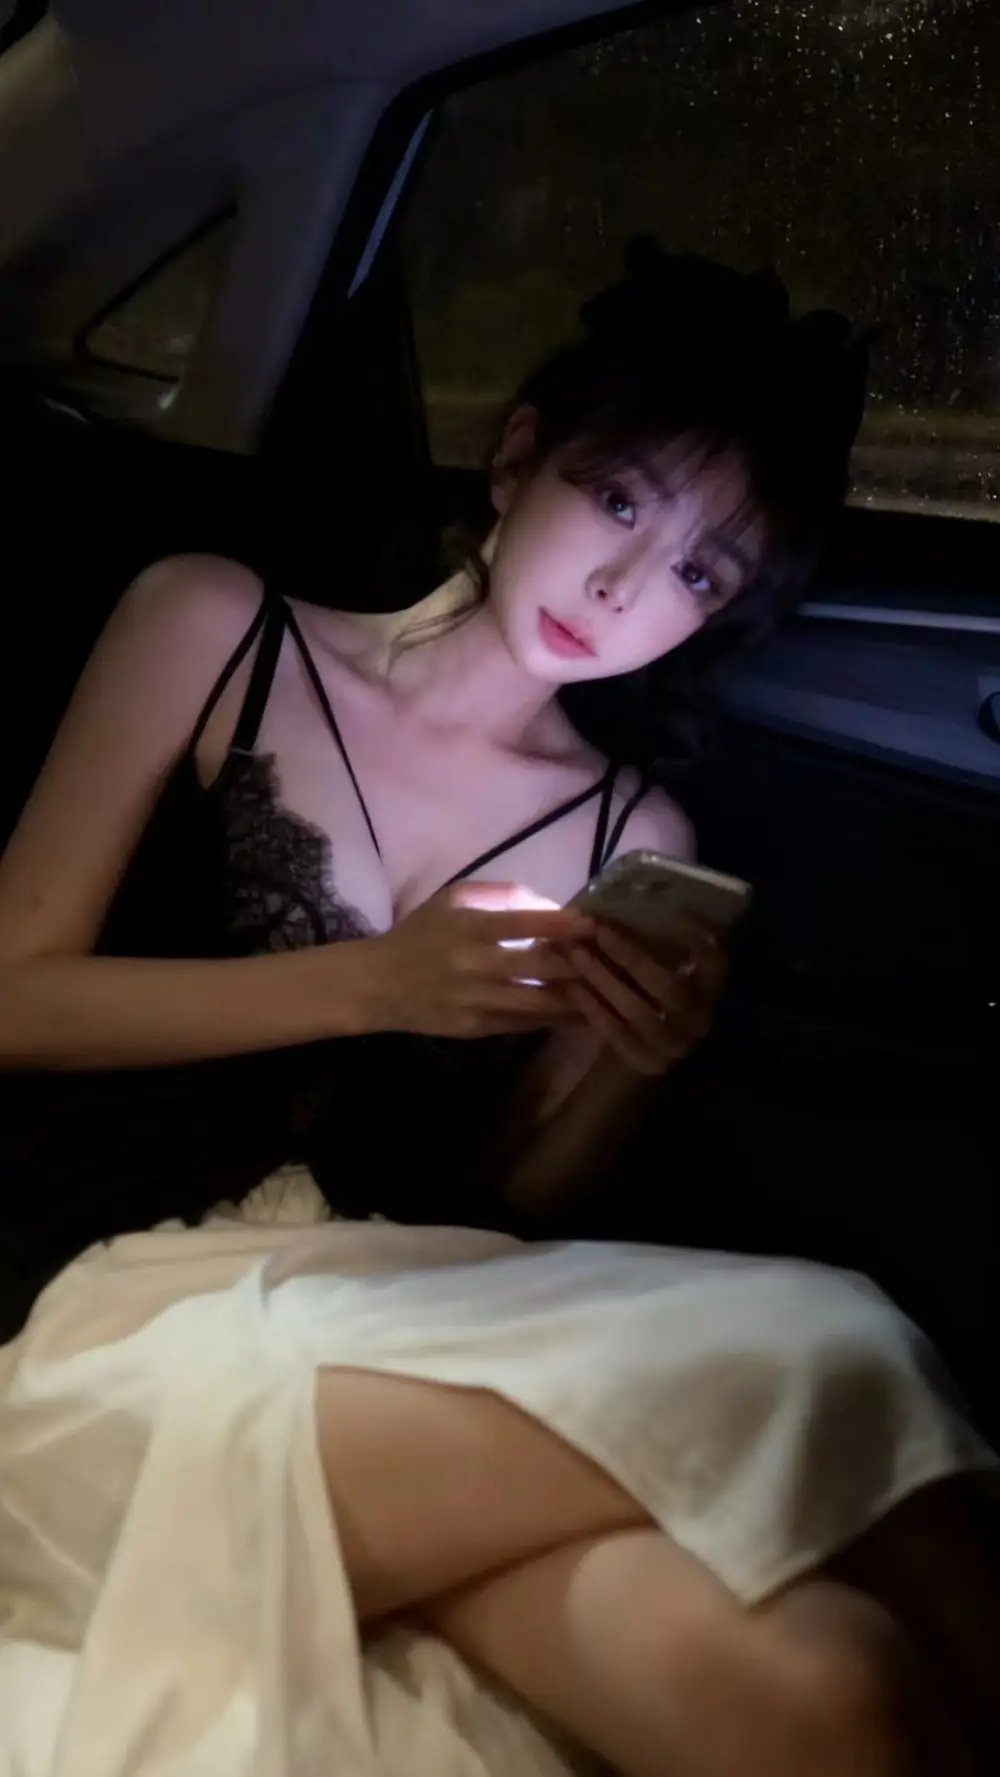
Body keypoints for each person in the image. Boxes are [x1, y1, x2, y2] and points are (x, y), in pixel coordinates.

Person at [0, 241, 998, 1776]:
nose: (625, 589)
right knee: (841, 1348)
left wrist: (636, 1068)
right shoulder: (214, 626)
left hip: (411, 1307)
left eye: (701, 573)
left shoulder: (630, 836)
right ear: (520, 453)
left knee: (828, 1691)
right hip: (118, 1318)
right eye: (621, 501)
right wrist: (369, 981)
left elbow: (512, 1207)